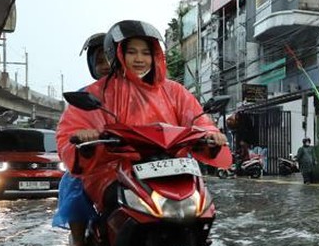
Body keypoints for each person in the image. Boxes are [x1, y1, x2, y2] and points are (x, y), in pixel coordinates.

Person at [56, 20, 229, 213]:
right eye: (132, 52)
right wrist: (85, 138)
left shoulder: (174, 91)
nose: (140, 59)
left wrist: (211, 134)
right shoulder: (99, 93)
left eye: (146, 53)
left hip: (173, 169)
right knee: (89, 196)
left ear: (155, 55)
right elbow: (71, 131)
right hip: (116, 172)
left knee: (202, 207)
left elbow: (198, 119)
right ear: (119, 54)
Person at [53, 33, 111, 246]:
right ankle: (78, 241)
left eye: (110, 59)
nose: (106, 66)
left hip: (139, 159)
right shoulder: (84, 97)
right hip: (99, 161)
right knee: (73, 182)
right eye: (100, 61)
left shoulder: (147, 92)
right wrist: (83, 138)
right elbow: (67, 132)